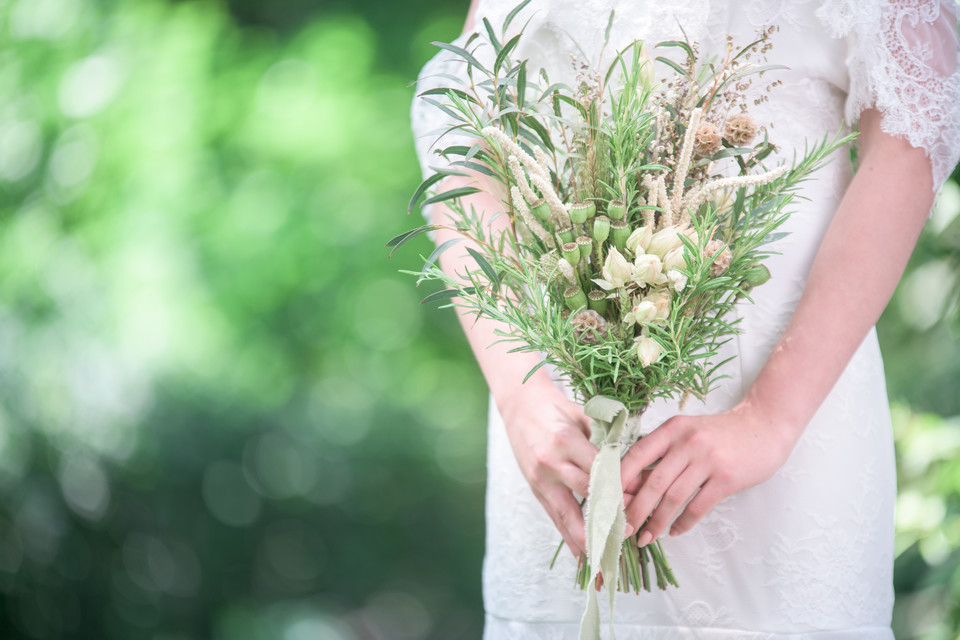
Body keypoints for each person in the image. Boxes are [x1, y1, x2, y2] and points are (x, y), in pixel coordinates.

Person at [410, 0, 960, 637]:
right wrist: (519, 393)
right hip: (564, 449)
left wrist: (767, 420)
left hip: (781, 449)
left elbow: (917, 120)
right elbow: (463, 131)